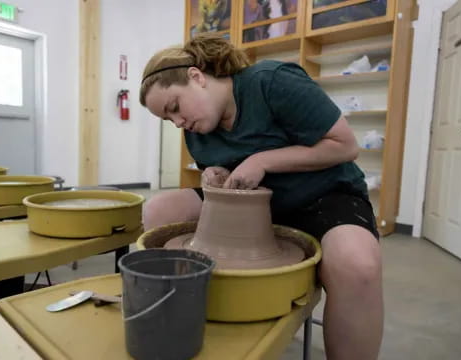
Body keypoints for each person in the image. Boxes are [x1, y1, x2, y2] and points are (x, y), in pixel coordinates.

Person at [139, 33, 383, 360]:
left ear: (196, 77)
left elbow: (345, 146)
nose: (178, 122)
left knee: (357, 264)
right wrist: (215, 177)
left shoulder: (270, 82)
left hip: (324, 196)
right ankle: (184, 328)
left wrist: (262, 161)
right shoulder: (195, 130)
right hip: (255, 206)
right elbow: (219, 173)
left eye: (175, 107)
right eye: (168, 119)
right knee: (158, 212)